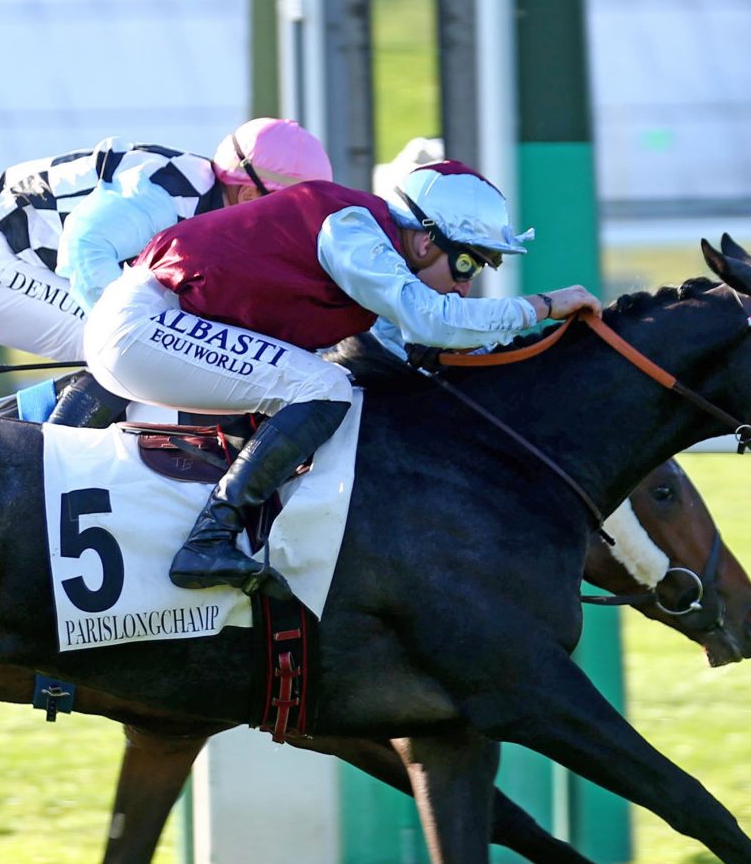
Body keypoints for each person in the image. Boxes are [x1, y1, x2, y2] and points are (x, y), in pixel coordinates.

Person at [74, 160, 603, 598]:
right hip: (143, 324)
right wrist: (543, 306)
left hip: (156, 324)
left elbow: (427, 340)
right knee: (322, 387)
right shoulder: (352, 229)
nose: (466, 285)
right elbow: (432, 319)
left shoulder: (379, 263)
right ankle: (209, 539)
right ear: (425, 242)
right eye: (466, 264)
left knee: (323, 386)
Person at [0, 119, 332, 416]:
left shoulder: (215, 202)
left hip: (16, 258)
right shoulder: (163, 196)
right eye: (290, 211)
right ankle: (39, 462)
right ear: (247, 194)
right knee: (133, 349)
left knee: (156, 345)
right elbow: (85, 249)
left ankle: (18, 425)